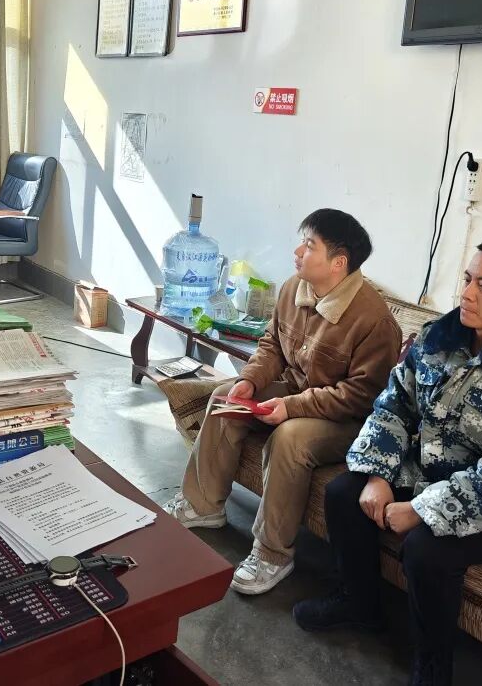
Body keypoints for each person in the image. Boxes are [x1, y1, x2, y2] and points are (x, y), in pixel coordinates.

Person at [293, 236, 482, 686]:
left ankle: (432, 666)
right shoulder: (438, 339)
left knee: (428, 550)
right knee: (344, 493)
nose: (467, 293)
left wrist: (423, 509)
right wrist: (377, 475)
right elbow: (393, 406)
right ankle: (358, 603)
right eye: (467, 279)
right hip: (423, 471)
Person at [164, 209, 402, 595]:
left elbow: (360, 396)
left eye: (309, 245)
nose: (297, 252)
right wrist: (250, 380)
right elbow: (272, 345)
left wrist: (292, 408)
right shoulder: (295, 287)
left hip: (347, 420)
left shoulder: (374, 322)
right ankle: (202, 505)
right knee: (226, 398)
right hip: (296, 391)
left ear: (338, 262)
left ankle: (273, 553)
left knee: (290, 438)